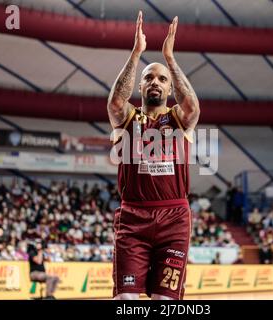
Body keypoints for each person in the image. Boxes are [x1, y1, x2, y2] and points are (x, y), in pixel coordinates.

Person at [108, 11, 200, 300]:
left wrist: (169, 58)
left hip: (174, 218)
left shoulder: (178, 119)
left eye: (162, 79)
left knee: (165, 300)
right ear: (141, 86)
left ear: (169, 88)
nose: (155, 82)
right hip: (133, 216)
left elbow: (193, 107)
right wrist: (136, 54)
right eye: (149, 78)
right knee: (125, 300)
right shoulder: (127, 119)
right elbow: (115, 102)